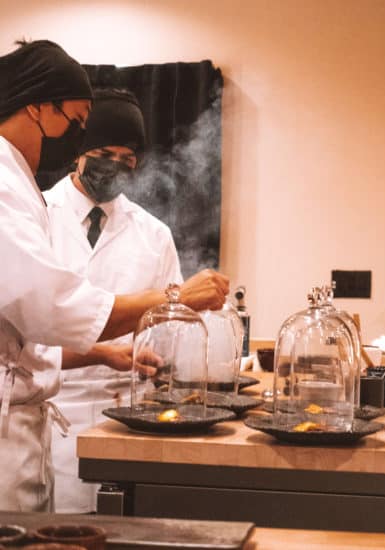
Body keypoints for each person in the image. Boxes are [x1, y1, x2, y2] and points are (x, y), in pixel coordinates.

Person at [0, 39, 229, 512]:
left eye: (130, 158)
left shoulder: (21, 186)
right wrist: (177, 295)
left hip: (91, 418)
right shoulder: (13, 191)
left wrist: (107, 354)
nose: (75, 138)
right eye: (78, 124)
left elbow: (25, 334)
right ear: (41, 107)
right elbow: (54, 308)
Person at [44, 88, 183, 513]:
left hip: (127, 417)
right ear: (78, 152)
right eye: (105, 152)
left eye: (128, 158)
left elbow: (171, 330)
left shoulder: (154, 234)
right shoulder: (34, 216)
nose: (115, 166)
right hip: (49, 414)